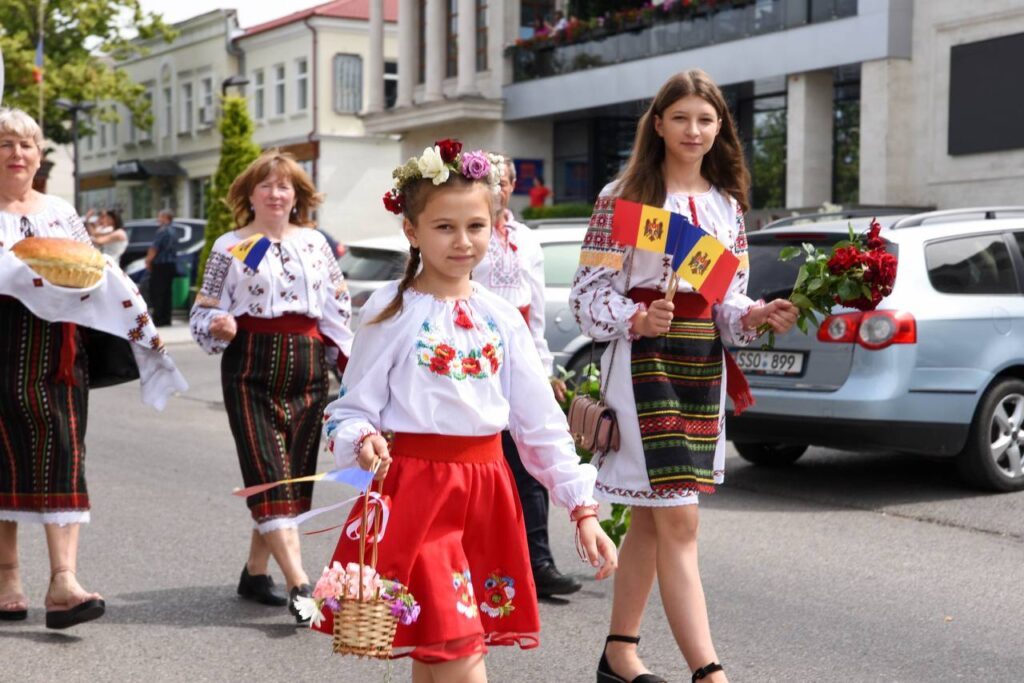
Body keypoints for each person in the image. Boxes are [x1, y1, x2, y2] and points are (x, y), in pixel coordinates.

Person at [314, 140, 618, 681]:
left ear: (495, 224)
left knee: (440, 654)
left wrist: (582, 507)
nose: (463, 242)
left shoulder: (502, 316)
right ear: (412, 231)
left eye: (476, 226)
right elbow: (352, 406)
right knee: (457, 651)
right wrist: (363, 438)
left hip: (484, 496)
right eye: (445, 227)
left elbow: (538, 424)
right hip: (414, 496)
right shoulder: (389, 309)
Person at [569, 70, 798, 683]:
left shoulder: (728, 206)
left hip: (702, 367)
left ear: (720, 127)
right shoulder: (620, 199)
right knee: (680, 517)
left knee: (652, 514)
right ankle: (710, 673)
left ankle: (619, 655)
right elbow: (586, 299)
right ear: (659, 124)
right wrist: (639, 317)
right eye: (681, 118)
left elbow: (730, 305)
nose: (693, 130)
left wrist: (758, 315)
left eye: (706, 119)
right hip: (643, 367)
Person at [0, 108, 187, 630]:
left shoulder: (60, 212)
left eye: (26, 145)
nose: (17, 153)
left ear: (40, 156)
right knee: (2, 456)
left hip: (59, 351)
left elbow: (95, 273)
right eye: (5, 144)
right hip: (1, 340)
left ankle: (64, 582)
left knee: (64, 450)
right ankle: (6, 576)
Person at [190, 149, 353, 623]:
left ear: (298, 195)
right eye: (266, 185)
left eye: (285, 186)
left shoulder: (316, 243)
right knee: (270, 474)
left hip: (307, 370)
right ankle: (300, 584)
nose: (276, 193)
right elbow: (205, 308)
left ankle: (255, 572)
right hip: (250, 368)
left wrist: (352, 370)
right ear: (250, 194)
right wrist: (217, 325)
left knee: (290, 480)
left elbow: (337, 310)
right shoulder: (231, 246)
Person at [471, 153, 579, 598]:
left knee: (530, 460)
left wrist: (545, 369)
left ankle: (540, 561)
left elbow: (533, 313)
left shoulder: (527, 240)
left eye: (505, 180)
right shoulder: (470, 231)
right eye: (491, 179)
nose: (499, 187)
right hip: (475, 353)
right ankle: (482, 561)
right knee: (484, 463)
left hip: (518, 357)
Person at [146, 209, 178, 326]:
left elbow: (154, 248)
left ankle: (158, 319)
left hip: (160, 265)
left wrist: (148, 261)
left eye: (160, 217)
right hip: (171, 265)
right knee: (167, 293)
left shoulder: (162, 230)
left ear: (166, 218)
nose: (158, 219)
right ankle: (166, 318)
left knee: (157, 292)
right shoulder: (174, 231)